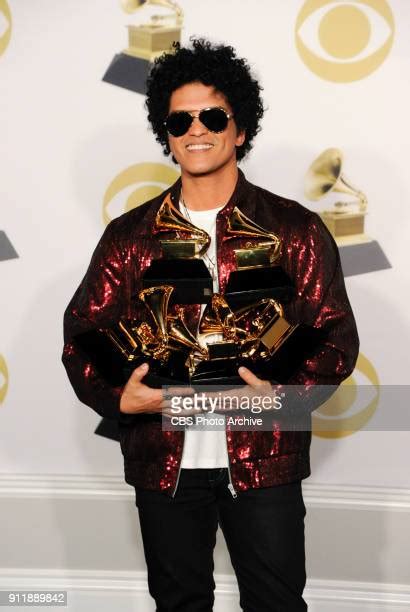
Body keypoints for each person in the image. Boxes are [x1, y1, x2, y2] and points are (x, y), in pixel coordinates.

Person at [62, 39, 359, 612]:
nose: (197, 129)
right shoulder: (128, 237)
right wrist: (123, 399)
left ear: (240, 129)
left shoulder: (296, 230)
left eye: (213, 115)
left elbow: (334, 334)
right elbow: (82, 335)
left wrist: (284, 395)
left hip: (264, 457)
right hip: (163, 461)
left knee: (275, 604)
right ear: (166, 134)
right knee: (179, 604)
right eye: (180, 119)